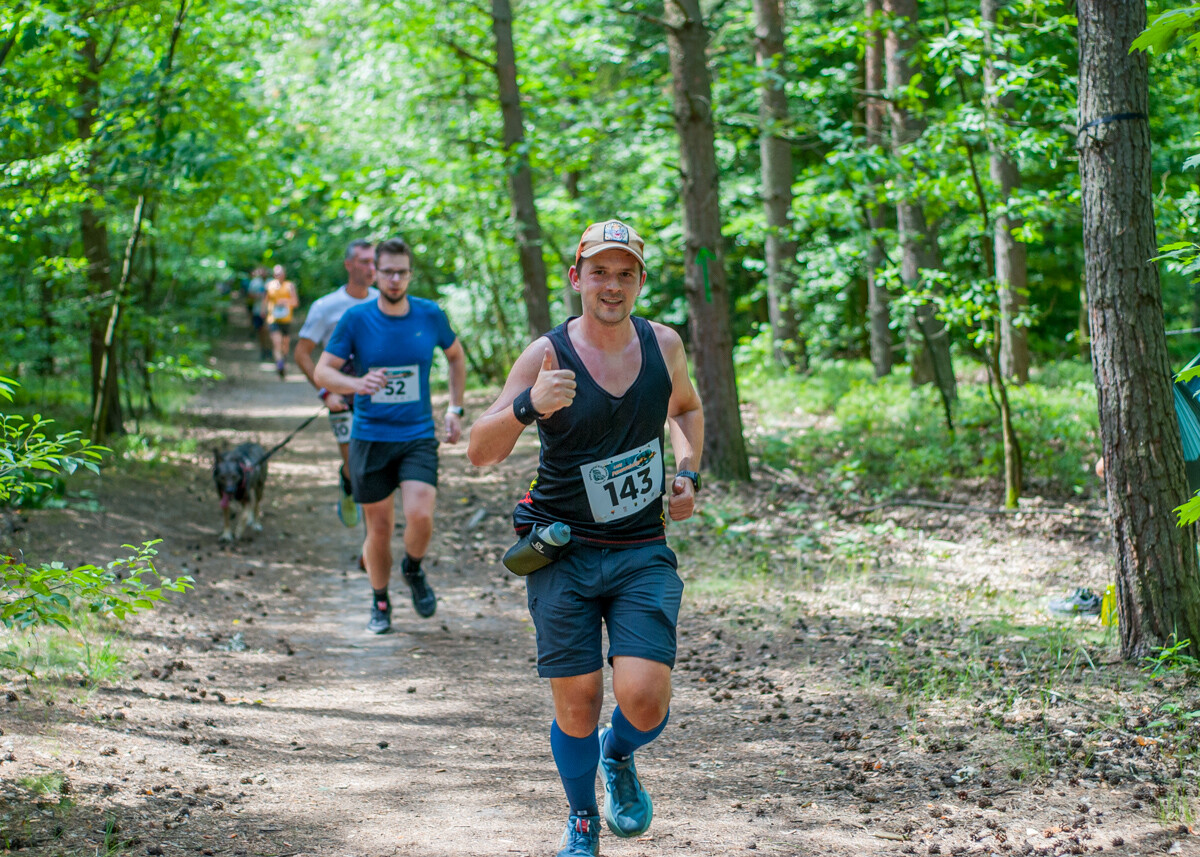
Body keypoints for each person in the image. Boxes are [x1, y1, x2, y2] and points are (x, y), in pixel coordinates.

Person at [467, 219, 704, 857]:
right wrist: (528, 406)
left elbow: (684, 409)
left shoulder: (664, 346)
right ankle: (581, 818)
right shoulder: (545, 355)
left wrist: (687, 474)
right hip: (562, 551)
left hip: (638, 551)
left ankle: (617, 756)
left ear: (640, 282)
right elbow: (478, 452)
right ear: (577, 278)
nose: (612, 285)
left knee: (646, 700)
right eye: (599, 272)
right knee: (577, 705)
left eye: (625, 273)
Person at [314, 237, 466, 634]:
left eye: (402, 272)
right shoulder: (356, 319)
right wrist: (357, 382)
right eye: (387, 272)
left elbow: (456, 357)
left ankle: (412, 568)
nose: (395, 279)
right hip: (370, 437)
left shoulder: (430, 315)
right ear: (374, 273)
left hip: (416, 434)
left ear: (410, 274)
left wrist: (454, 408)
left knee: (420, 515)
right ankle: (380, 602)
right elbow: (323, 372)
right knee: (378, 529)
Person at [294, 240, 379, 528]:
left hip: (376, 397)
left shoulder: (384, 300)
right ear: (348, 265)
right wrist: (325, 392)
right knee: (356, 466)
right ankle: (347, 483)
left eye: (374, 262)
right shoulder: (326, 307)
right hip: (340, 398)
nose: (372, 268)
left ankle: (371, 542)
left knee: (374, 468)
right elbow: (302, 353)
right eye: (365, 262)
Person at [264, 264, 300, 379]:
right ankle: (279, 363)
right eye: (276, 273)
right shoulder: (269, 286)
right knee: (276, 343)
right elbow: (265, 300)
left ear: (284, 274)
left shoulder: (290, 286)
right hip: (273, 319)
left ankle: (283, 359)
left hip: (286, 319)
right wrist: (262, 311)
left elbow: (295, 302)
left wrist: (285, 301)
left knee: (285, 344)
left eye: (280, 273)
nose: (278, 275)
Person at [246, 267, 271, 361]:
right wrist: (258, 296)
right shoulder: (254, 282)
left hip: (270, 311)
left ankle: (270, 350)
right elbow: (249, 295)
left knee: (268, 330)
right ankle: (263, 350)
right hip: (257, 310)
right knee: (261, 331)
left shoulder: (272, 282)